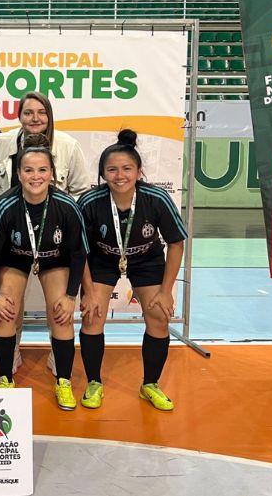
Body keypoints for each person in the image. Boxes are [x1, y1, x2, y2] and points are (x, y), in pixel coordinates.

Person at [77, 129, 187, 411]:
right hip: (102, 259)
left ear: (139, 172)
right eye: (112, 170)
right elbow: (79, 250)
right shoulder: (90, 202)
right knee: (92, 316)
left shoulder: (156, 198)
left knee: (159, 317)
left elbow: (176, 243)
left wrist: (166, 291)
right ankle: (94, 382)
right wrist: (89, 292)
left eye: (127, 168)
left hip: (146, 258)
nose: (119, 175)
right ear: (102, 174)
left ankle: (150, 384)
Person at [0, 134, 88, 411]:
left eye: (42, 169)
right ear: (18, 173)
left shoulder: (66, 206)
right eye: (28, 170)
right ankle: (6, 378)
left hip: (54, 259)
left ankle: (63, 380)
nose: (35, 176)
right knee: (5, 310)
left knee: (61, 313)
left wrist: (71, 296)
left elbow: (79, 254)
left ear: (52, 173)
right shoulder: (4, 206)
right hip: (15, 258)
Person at [0, 91, 90, 376]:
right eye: (28, 112)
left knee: (60, 308)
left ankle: (60, 364)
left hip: (54, 241)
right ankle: (11, 357)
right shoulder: (1, 143)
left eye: (41, 112)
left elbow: (81, 191)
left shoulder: (68, 146)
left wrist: (60, 216)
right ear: (19, 116)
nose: (35, 118)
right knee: (8, 307)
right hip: (14, 240)